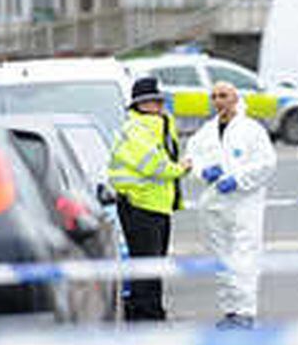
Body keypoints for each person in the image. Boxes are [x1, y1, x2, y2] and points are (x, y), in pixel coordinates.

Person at [185, 82, 277, 329]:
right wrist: (203, 172)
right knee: (221, 259)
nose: (218, 100)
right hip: (214, 205)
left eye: (223, 95)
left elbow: (267, 163)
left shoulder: (252, 130)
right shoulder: (205, 131)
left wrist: (238, 179)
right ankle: (230, 311)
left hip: (244, 205)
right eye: (214, 96)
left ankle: (245, 312)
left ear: (236, 98)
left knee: (244, 257)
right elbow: (189, 161)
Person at [107, 76, 191, 321]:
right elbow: (153, 164)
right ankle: (144, 315)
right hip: (139, 204)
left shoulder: (161, 123)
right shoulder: (137, 128)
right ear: (139, 104)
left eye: (158, 100)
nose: (157, 105)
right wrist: (180, 168)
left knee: (154, 263)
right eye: (151, 101)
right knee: (146, 264)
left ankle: (152, 311)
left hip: (156, 205)